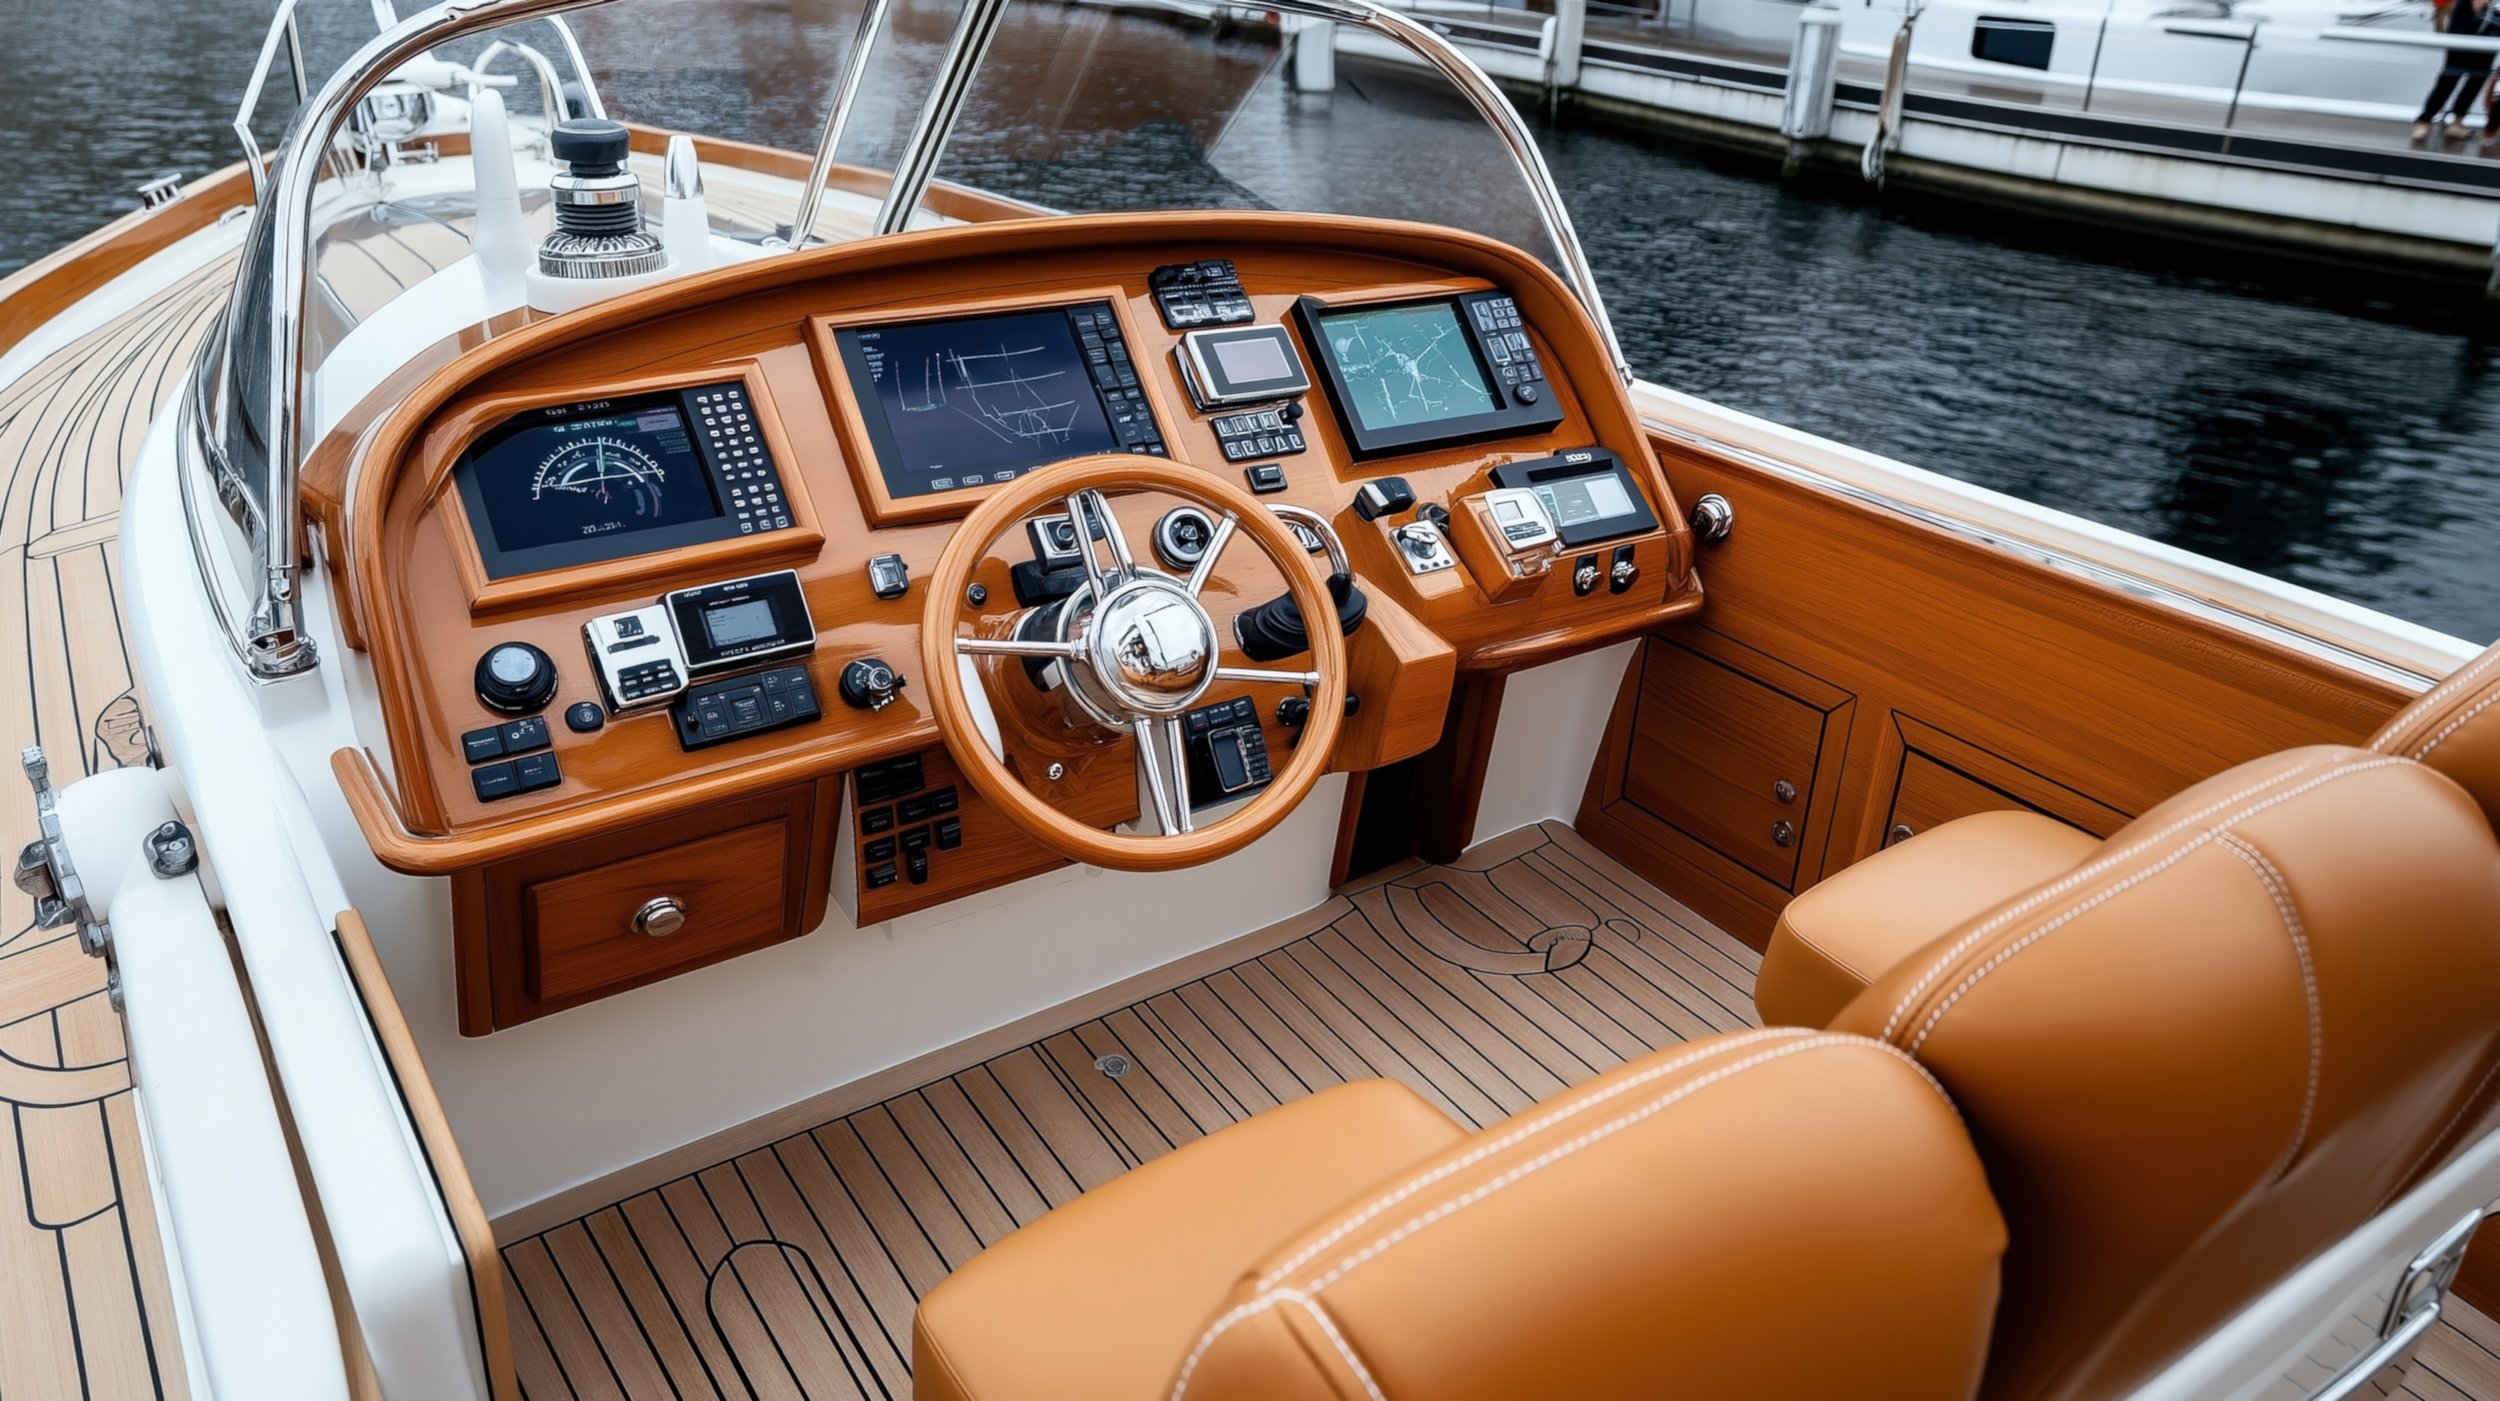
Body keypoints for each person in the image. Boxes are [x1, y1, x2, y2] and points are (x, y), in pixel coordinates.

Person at [2417, 0, 2500, 142]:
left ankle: (2455, 123)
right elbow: (2478, 5)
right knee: (2450, 78)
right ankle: (2425, 122)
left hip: (2488, 34)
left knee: (2474, 81)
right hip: (2466, 30)